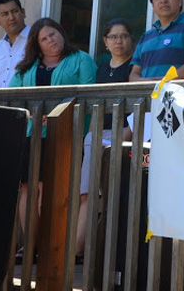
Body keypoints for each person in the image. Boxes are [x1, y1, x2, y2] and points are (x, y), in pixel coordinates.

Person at [9, 17, 97, 262]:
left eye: (54, 34)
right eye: (44, 38)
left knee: (49, 190)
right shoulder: (25, 68)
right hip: (29, 134)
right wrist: (34, 116)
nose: (51, 40)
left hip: (65, 134)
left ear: (62, 33)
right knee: (26, 190)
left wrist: (56, 115)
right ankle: (30, 246)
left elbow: (87, 93)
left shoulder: (81, 59)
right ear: (37, 45)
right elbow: (14, 96)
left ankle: (49, 246)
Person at [75, 18, 134, 260]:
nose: (118, 41)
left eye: (123, 36)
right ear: (105, 42)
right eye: (113, 37)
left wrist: (124, 137)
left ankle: (105, 254)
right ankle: (77, 251)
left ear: (131, 39)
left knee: (114, 195)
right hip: (96, 133)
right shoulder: (100, 68)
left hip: (124, 134)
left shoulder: (136, 68)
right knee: (88, 193)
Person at [0, 0, 30, 88]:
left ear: (23, 12)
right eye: (4, 14)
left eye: (15, 11)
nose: (11, 18)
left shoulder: (36, 41)